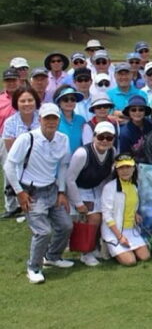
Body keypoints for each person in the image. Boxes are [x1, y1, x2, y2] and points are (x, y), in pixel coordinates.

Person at [5, 103, 83, 283]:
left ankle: (52, 257)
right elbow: (9, 165)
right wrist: (20, 192)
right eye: (47, 118)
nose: (50, 122)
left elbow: (63, 166)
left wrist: (62, 191)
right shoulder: (27, 139)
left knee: (66, 226)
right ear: (40, 119)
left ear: (58, 120)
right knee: (43, 232)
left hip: (52, 189)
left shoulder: (62, 139)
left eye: (54, 118)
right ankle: (33, 267)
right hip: (31, 191)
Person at [65, 121, 117, 267]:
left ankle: (95, 247)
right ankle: (85, 253)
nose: (105, 141)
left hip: (97, 188)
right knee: (93, 218)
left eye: (109, 137)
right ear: (94, 136)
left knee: (104, 217)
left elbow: (107, 176)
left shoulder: (112, 152)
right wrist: (78, 203)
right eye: (101, 137)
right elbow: (70, 179)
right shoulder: (82, 153)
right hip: (79, 188)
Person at [101, 154, 151, 266]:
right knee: (130, 261)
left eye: (128, 167)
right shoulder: (109, 187)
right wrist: (120, 237)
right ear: (116, 170)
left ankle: (128, 249)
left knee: (145, 257)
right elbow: (107, 215)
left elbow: (130, 205)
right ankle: (108, 245)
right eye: (121, 168)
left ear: (134, 169)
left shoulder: (134, 186)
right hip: (114, 232)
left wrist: (135, 214)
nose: (125, 171)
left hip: (131, 229)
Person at [2, 87, 41, 219]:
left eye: (30, 100)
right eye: (22, 101)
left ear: (36, 101)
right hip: (21, 168)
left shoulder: (43, 118)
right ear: (16, 103)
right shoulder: (10, 123)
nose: (27, 104)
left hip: (43, 166)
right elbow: (11, 151)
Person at [0, 68, 20, 218]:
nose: (11, 83)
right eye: (8, 80)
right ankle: (11, 206)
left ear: (19, 81)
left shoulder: (24, 96)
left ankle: (23, 203)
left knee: (24, 171)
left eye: (14, 80)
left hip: (23, 138)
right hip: (4, 139)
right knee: (8, 170)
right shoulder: (0, 98)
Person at [53, 86, 85, 153]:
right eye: (65, 99)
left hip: (78, 161)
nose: (69, 102)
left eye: (73, 99)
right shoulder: (54, 120)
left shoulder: (81, 120)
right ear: (59, 102)